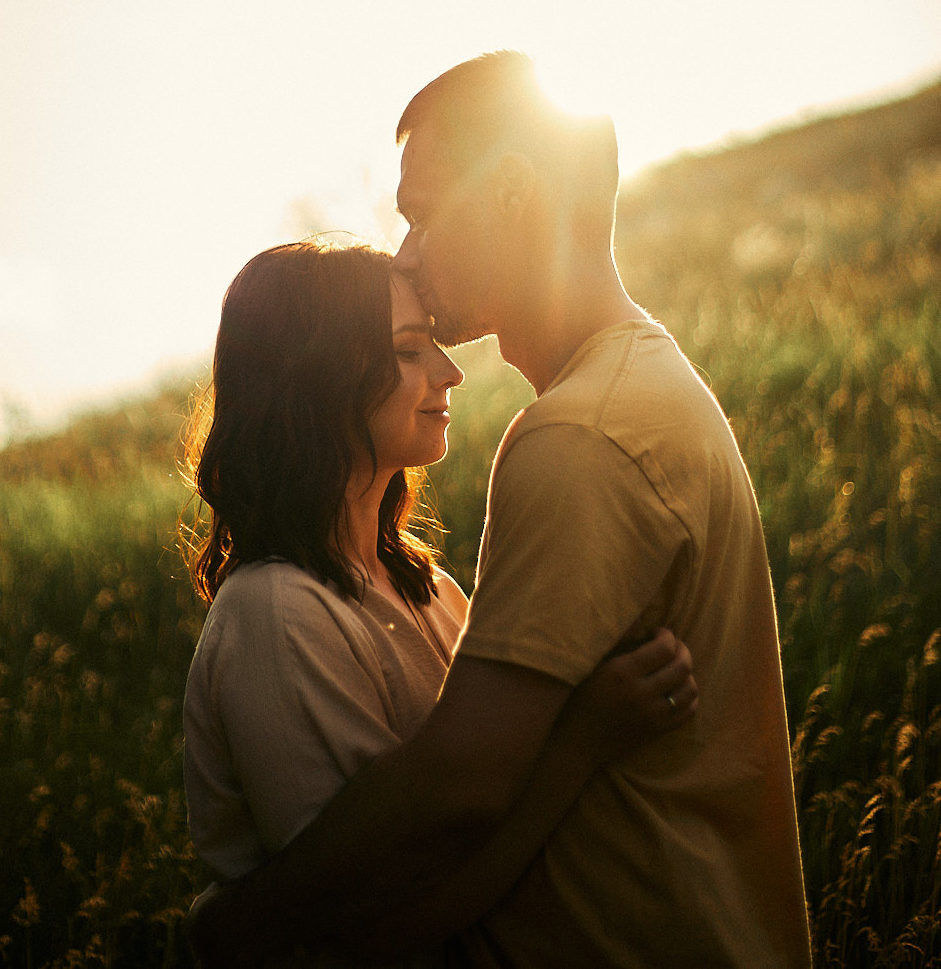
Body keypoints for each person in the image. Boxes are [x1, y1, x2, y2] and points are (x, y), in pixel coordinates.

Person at [191, 53, 812, 968]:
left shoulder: (583, 435)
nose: (406, 251)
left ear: (513, 191)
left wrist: (237, 929)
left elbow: (462, 788)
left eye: (424, 214)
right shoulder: (633, 394)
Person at [183, 237, 698, 965]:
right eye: (409, 349)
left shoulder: (430, 592)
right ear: (319, 376)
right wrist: (579, 745)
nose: (451, 371)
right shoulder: (276, 614)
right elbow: (374, 922)